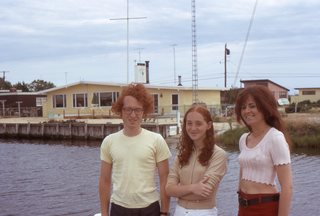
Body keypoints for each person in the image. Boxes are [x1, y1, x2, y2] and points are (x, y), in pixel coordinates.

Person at [99, 83, 172, 216]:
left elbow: (164, 179)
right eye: (128, 109)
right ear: (121, 111)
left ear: (143, 112)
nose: (133, 115)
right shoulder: (109, 142)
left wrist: (165, 212)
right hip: (118, 208)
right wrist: (104, 213)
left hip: (150, 208)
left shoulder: (157, 140)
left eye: (137, 110)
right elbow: (104, 180)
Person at [234, 85, 293, 216]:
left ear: (265, 106)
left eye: (252, 106)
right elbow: (243, 169)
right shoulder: (243, 139)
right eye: (243, 107)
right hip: (243, 206)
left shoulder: (275, 138)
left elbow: (287, 187)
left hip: (265, 207)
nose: (247, 111)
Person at [166, 105, 228, 216]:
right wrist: (193, 188)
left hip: (204, 212)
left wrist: (178, 192)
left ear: (208, 125)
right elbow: (169, 189)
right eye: (189, 123)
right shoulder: (181, 154)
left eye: (198, 123)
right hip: (179, 211)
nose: (193, 128)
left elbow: (205, 193)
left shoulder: (218, 155)